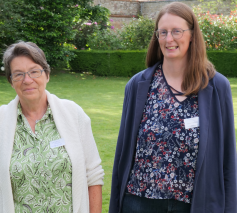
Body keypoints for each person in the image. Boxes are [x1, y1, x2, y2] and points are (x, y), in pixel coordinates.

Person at [109, 2, 236, 213]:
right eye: (163, 32)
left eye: (177, 31)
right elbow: (122, 154)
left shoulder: (216, 86)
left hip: (195, 204)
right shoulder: (138, 86)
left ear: (192, 34)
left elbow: (228, 158)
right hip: (140, 202)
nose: (169, 39)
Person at [0, 41, 104, 213]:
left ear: (47, 75)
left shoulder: (73, 114)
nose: (27, 80)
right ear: (11, 81)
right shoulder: (2, 121)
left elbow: (93, 176)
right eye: (18, 74)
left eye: (34, 71)